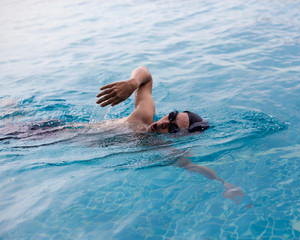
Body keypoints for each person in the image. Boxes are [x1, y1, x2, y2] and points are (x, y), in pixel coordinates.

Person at [96, 66, 245, 204]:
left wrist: (223, 183)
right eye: (171, 116)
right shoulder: (143, 116)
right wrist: (133, 83)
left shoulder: (158, 145)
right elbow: (146, 74)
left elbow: (190, 166)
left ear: (178, 137)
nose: (164, 123)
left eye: (173, 129)